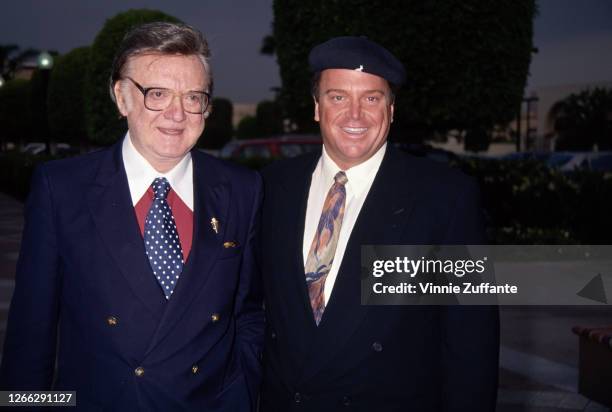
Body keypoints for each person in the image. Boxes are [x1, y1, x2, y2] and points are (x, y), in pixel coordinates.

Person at [0, 22, 263, 411]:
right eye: (157, 94)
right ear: (121, 97)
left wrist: (239, 395)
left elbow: (250, 314)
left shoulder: (243, 189)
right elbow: (30, 336)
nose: (177, 114)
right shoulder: (63, 189)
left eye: (193, 96)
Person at [260, 36, 499, 411]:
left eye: (371, 98)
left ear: (391, 109)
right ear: (317, 108)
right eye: (338, 97)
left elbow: (472, 343)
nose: (355, 115)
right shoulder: (271, 187)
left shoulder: (446, 198)